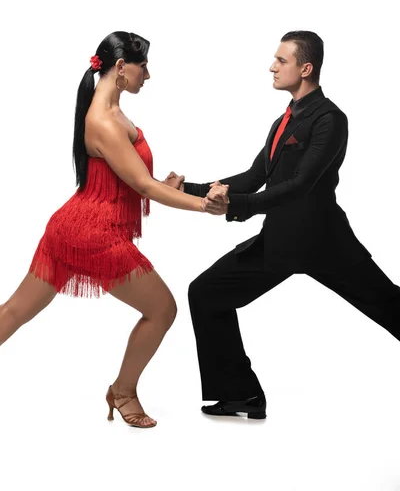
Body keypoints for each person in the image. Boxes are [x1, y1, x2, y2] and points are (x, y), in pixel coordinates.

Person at [167, 30, 400, 420]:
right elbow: (251, 177)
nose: (272, 67)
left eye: (281, 60)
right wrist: (188, 188)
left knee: (390, 306)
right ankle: (241, 394)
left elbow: (300, 185)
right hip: (279, 243)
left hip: (325, 242)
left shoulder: (330, 119)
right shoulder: (283, 120)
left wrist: (232, 207)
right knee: (206, 293)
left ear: (305, 68)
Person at [0, 30, 224, 429]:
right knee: (162, 309)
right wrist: (200, 205)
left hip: (70, 227)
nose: (148, 76)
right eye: (144, 67)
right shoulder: (102, 120)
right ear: (121, 67)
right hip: (93, 234)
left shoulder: (112, 111)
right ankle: (123, 392)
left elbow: (131, 180)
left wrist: (162, 189)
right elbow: (141, 184)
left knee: (15, 311)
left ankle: (122, 390)